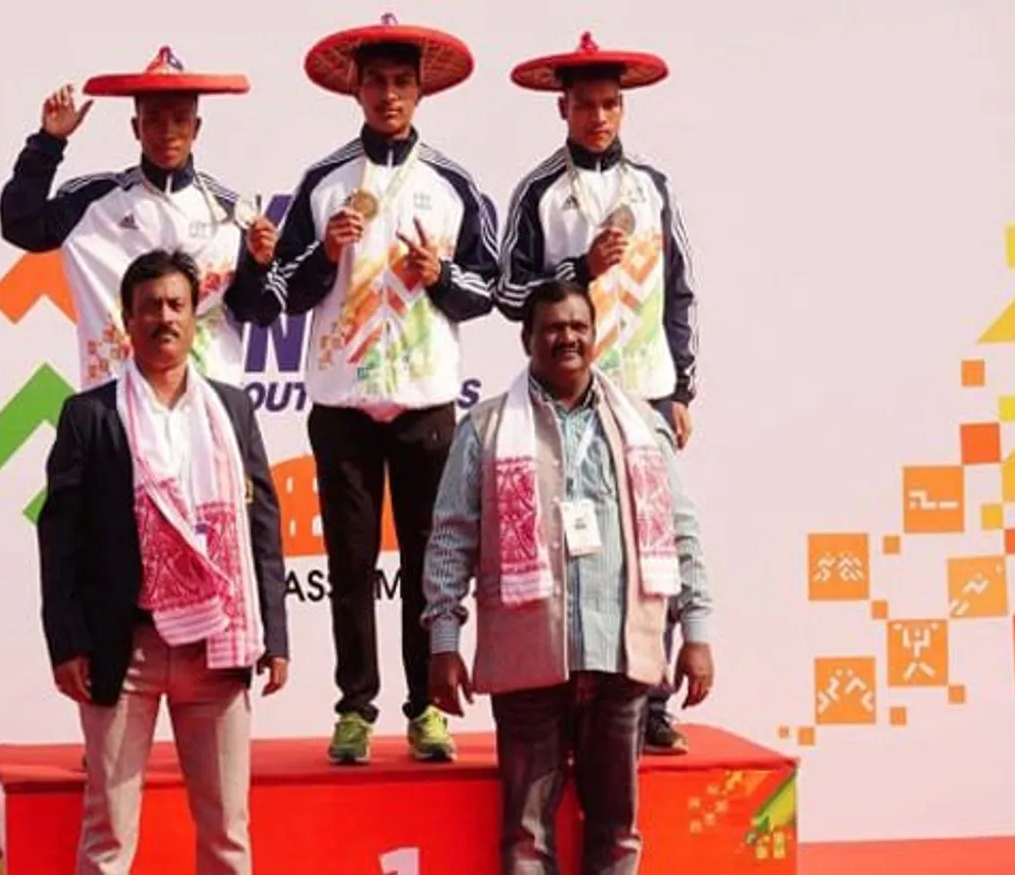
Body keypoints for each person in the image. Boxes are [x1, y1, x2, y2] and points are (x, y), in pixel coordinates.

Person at [267, 13, 499, 765]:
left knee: (431, 562)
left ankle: (427, 708)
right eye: (376, 82)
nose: (389, 94)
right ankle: (354, 708)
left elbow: (488, 290)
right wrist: (324, 252)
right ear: (356, 90)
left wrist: (440, 276)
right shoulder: (323, 182)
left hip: (426, 402)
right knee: (349, 563)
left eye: (402, 82)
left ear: (420, 91)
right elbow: (285, 292)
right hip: (342, 404)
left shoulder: (452, 183)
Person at [422, 279, 714, 875]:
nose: (568, 338)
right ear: (527, 339)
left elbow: (680, 530)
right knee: (526, 838)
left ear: (595, 334)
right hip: (527, 664)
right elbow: (450, 539)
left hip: (620, 657)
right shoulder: (487, 428)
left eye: (579, 326)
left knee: (618, 834)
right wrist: (444, 643)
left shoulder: (642, 425)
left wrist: (697, 633)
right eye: (554, 328)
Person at [37, 248, 289, 875]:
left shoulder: (231, 411)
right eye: (149, 307)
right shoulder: (89, 416)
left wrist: (276, 636)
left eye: (177, 305)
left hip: (218, 646)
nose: (164, 318)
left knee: (227, 832)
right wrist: (67, 641)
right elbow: (60, 538)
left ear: (195, 316)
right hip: (125, 650)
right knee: (108, 834)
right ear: (127, 320)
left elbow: (262, 523)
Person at [496, 33, 701, 754]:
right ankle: (574, 694)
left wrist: (682, 387)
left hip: (644, 391)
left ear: (623, 107)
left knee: (655, 545)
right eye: (585, 105)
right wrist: (579, 268)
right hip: (567, 398)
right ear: (563, 108)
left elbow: (681, 290)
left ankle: (651, 700)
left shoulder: (653, 187)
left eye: (611, 104)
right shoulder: (540, 192)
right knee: (576, 547)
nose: (599, 117)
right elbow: (507, 293)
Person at [0, 46, 280, 389]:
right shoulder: (92, 203)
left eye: (180, 119)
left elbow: (256, 311)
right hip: (114, 400)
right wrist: (48, 142)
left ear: (196, 127)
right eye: (154, 120)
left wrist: (259, 264)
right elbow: (20, 225)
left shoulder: (232, 214)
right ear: (136, 127)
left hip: (208, 400)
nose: (168, 132)